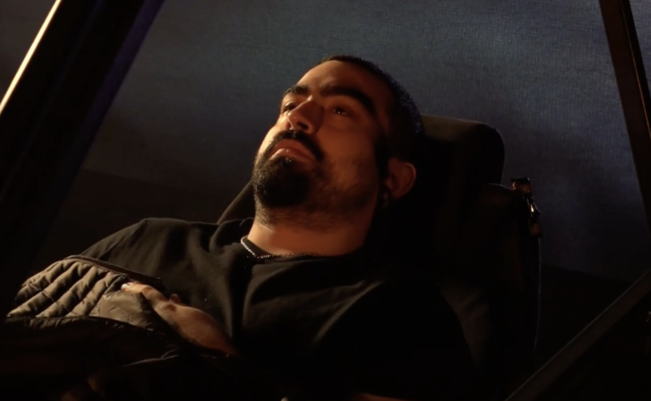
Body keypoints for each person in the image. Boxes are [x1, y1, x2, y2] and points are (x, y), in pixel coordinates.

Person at [71, 55, 479, 401]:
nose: (298, 118)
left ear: (393, 179)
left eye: (340, 110)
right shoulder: (151, 239)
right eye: (290, 105)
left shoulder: (402, 316)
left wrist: (215, 359)